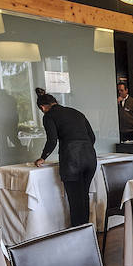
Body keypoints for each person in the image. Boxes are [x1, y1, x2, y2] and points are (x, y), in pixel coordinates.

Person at [33, 89, 97, 228]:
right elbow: (92, 137)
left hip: (72, 160)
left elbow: (52, 140)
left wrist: (43, 157)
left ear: (43, 107)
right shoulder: (76, 112)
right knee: (83, 195)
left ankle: (77, 231)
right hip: (90, 158)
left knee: (75, 199)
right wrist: (84, 148)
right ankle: (86, 228)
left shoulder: (49, 116)